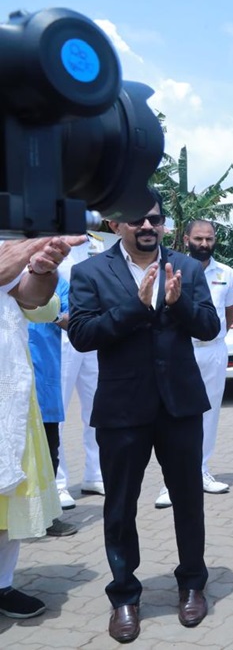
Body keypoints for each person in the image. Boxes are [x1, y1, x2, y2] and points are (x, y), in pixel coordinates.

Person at [68, 194, 219, 642]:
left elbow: (209, 327)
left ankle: (192, 584)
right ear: (115, 225)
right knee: (119, 508)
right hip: (122, 410)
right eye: (136, 220)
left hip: (180, 406)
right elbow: (81, 334)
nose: (146, 226)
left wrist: (178, 303)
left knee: (189, 500)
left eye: (154, 218)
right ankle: (125, 596)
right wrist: (136, 305)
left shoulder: (187, 270)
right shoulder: (90, 272)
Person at [0, 235, 81, 619]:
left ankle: (2, 584)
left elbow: (36, 303)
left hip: (9, 398)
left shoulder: (11, 245)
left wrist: (40, 267)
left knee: (6, 503)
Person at [154, 220, 233, 509]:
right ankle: (172, 482)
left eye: (209, 239)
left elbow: (228, 313)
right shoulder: (173, 268)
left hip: (213, 350)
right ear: (187, 238)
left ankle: (201, 471)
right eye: (199, 238)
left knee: (210, 414)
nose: (204, 244)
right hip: (183, 351)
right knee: (177, 415)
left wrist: (215, 338)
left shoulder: (225, 272)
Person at [55, 233, 107, 509]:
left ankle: (95, 474)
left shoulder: (96, 242)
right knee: (58, 412)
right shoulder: (48, 239)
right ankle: (58, 483)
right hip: (59, 333)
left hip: (92, 332)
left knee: (96, 409)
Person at [27, 275, 78, 537]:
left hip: (44, 381)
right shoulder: (6, 277)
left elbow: (74, 322)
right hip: (10, 382)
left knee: (48, 453)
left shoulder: (56, 282)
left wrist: (51, 313)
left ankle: (47, 516)